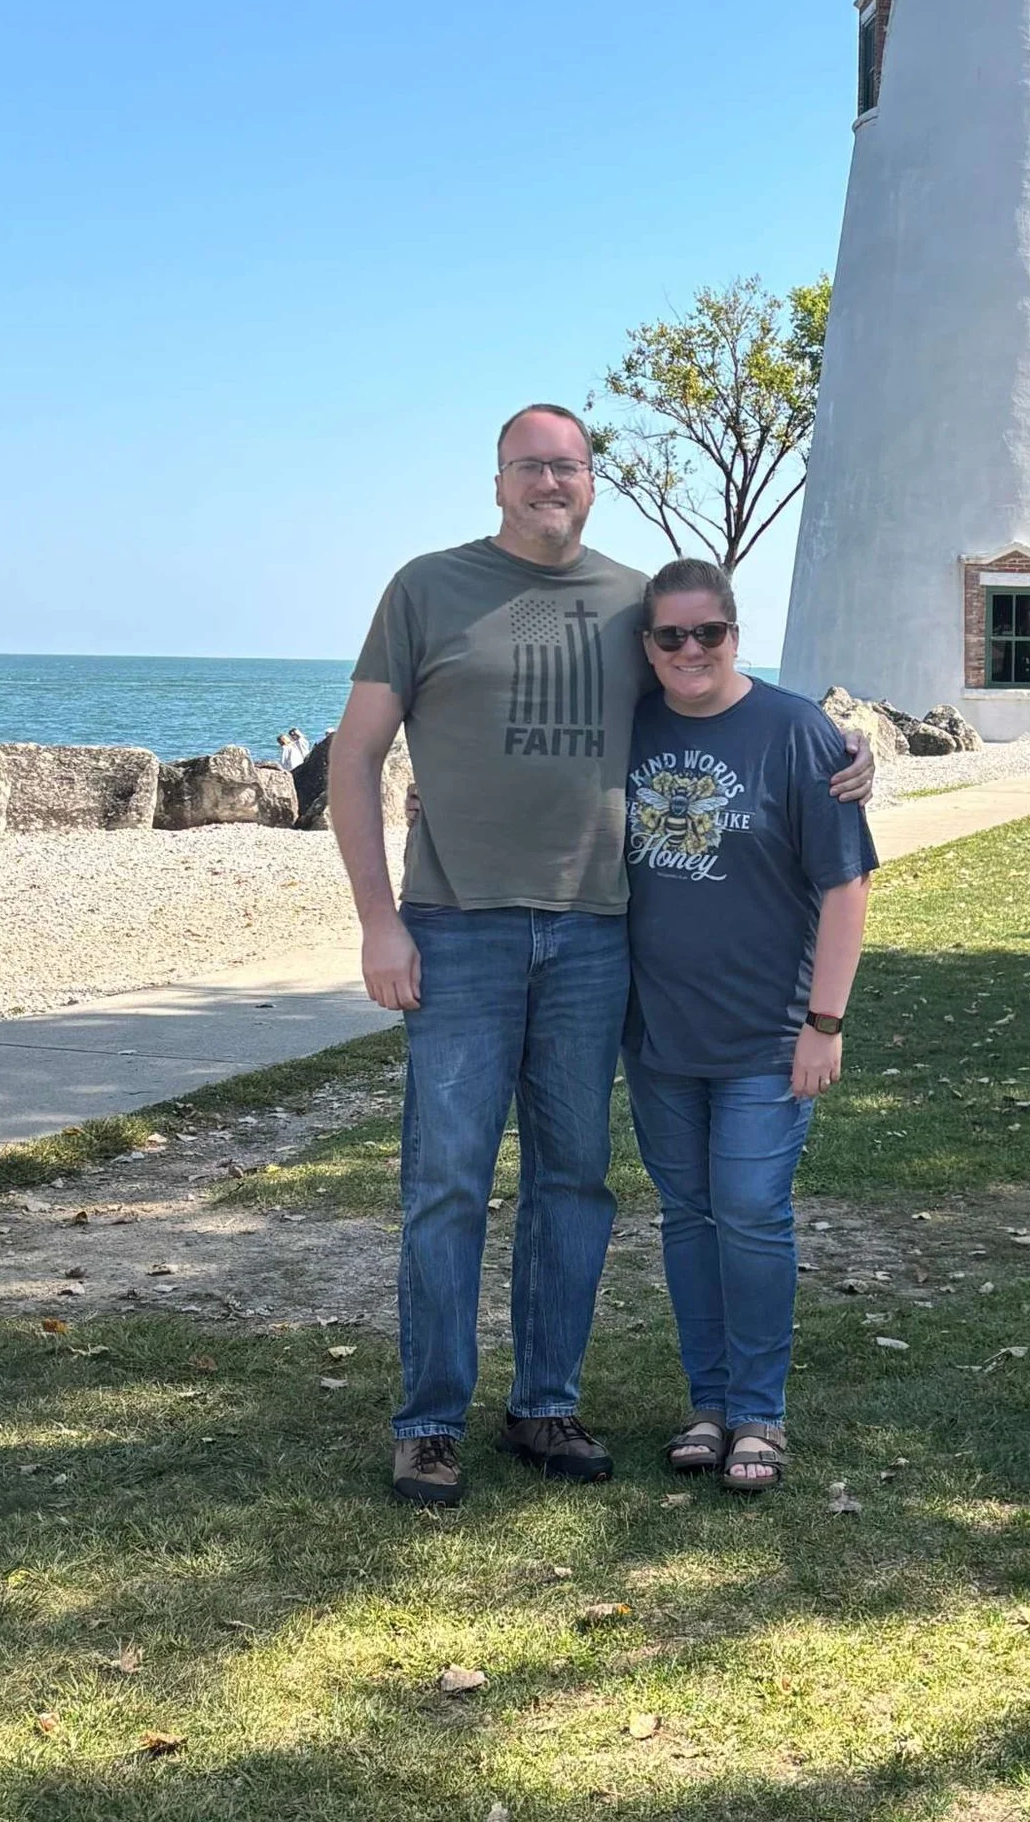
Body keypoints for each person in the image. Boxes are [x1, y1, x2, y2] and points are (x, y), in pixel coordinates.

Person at [327, 407, 874, 1511]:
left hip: (592, 933)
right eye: (529, 464)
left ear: (590, 481)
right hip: (457, 926)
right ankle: (430, 1418)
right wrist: (378, 918)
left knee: (574, 1181)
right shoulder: (425, 588)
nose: (549, 480)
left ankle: (545, 1401)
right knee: (445, 1182)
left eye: (567, 464)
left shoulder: (635, 602)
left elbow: (717, 698)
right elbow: (355, 756)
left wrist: (845, 752)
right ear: (496, 480)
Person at [622, 559, 875, 1494]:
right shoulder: (629, 726)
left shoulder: (798, 732)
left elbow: (846, 886)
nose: (690, 651)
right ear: (646, 645)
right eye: (670, 636)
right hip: (656, 1032)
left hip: (770, 1032)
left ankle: (760, 1411)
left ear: (736, 634)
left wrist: (826, 1022)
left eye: (708, 634)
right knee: (689, 1218)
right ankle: (710, 1400)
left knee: (752, 1214)